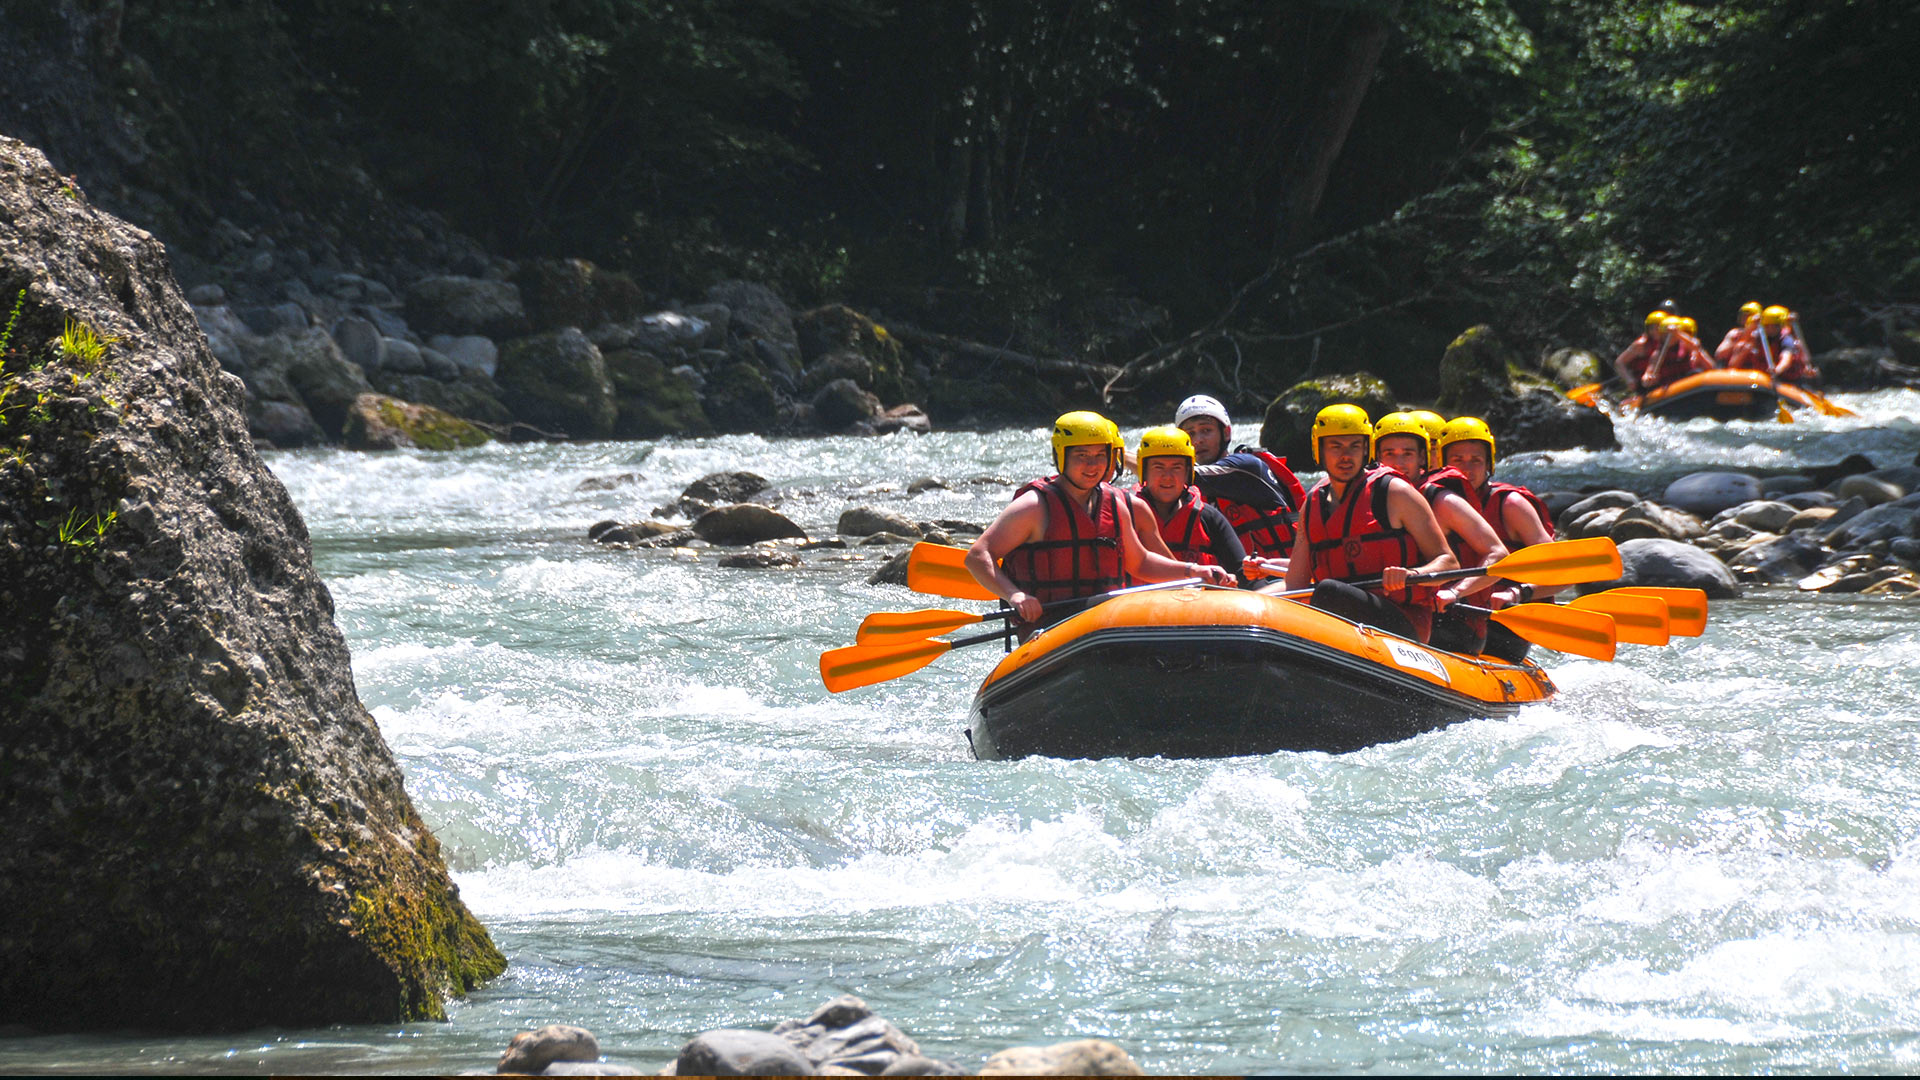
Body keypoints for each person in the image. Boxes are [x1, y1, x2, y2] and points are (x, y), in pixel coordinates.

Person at [968, 410, 1232, 632]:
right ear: (1062, 456)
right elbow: (978, 555)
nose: (1092, 465)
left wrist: (1194, 571)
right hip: (1050, 629)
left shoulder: (1116, 504)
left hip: (1107, 625)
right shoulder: (1034, 506)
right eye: (1081, 455)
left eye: (1099, 455)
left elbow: (1140, 562)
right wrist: (1015, 594)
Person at [1279, 405, 1458, 643]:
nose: (1346, 456)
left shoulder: (1395, 493)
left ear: (1367, 449)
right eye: (1336, 446)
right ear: (1319, 449)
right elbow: (1295, 585)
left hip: (1402, 622)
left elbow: (1449, 563)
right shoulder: (1311, 505)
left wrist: (1413, 574)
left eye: (1355, 446)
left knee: (1330, 592)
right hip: (1341, 621)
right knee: (1319, 595)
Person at [1370, 412, 1509, 654]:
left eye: (1407, 454)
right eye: (1389, 454)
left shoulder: (1442, 500)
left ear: (1422, 457)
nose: (1398, 463)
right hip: (1399, 610)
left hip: (1449, 621)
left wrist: (1454, 592)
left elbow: (1498, 554)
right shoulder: (1370, 498)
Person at [1438, 416, 1558, 662]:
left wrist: (1516, 594)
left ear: (1488, 465)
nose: (1466, 470)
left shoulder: (1510, 505)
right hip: (1451, 614)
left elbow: (1562, 571)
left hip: (1503, 623)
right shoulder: (1434, 502)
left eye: (1476, 461)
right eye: (1457, 460)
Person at [1172, 394, 1306, 568]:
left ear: (1226, 433)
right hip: (1234, 584)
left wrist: (1139, 458)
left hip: (1278, 577)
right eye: (1190, 434)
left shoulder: (1246, 466)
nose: (1198, 440)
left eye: (1206, 430)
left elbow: (1175, 473)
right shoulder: (1185, 492)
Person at [1133, 426, 1248, 583]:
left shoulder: (1208, 518)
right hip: (1140, 603)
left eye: (1177, 468)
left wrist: (1231, 579)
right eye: (1158, 467)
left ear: (1188, 472)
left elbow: (1243, 573)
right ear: (1144, 471)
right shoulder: (1126, 514)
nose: (1168, 477)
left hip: (1198, 603)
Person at [1638, 315, 1714, 391]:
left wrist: (1677, 333)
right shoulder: (1657, 354)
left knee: (1697, 372)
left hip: (1688, 383)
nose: (1668, 337)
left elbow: (1695, 346)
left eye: (1670, 334)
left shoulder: (1687, 346)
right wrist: (1647, 379)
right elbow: (1647, 375)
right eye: (1665, 334)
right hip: (1670, 389)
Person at [1615, 310, 1673, 387]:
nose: (1654, 332)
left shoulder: (1670, 339)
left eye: (1658, 328)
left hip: (1663, 379)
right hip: (1643, 383)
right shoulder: (1641, 344)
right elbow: (1619, 362)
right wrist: (1629, 379)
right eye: (1651, 329)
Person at [1716, 301, 1762, 367]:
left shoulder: (1762, 335)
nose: (1745, 318)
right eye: (1743, 315)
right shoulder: (1734, 333)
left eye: (1748, 316)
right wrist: (1748, 331)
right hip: (1734, 369)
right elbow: (1720, 354)